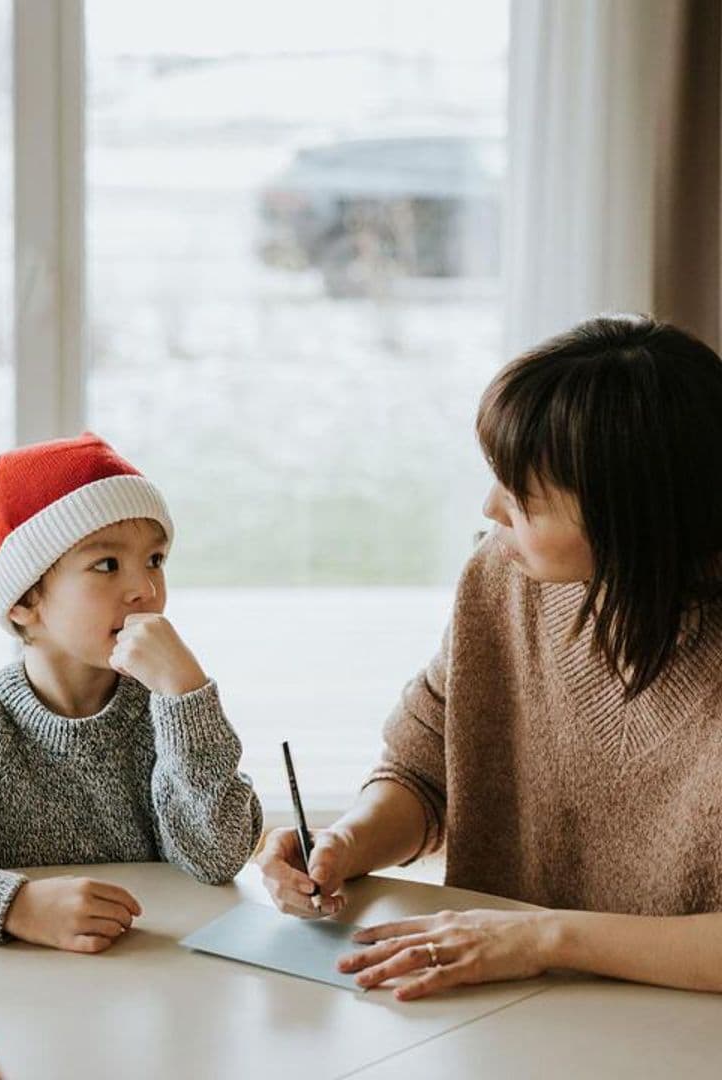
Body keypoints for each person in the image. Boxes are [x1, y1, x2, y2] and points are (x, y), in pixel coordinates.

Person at [259, 313, 722, 999]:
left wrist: (540, 938)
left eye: (523, 498)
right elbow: (420, 772)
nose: (491, 509)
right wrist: (348, 843)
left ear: (629, 517)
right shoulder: (500, 579)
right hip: (496, 1011)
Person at [0, 433, 262, 953]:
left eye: (155, 560)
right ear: (24, 603)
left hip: (160, 994)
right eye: (107, 565)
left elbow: (217, 857)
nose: (145, 590)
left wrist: (186, 695)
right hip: (35, 1007)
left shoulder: (167, 709)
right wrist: (15, 906)